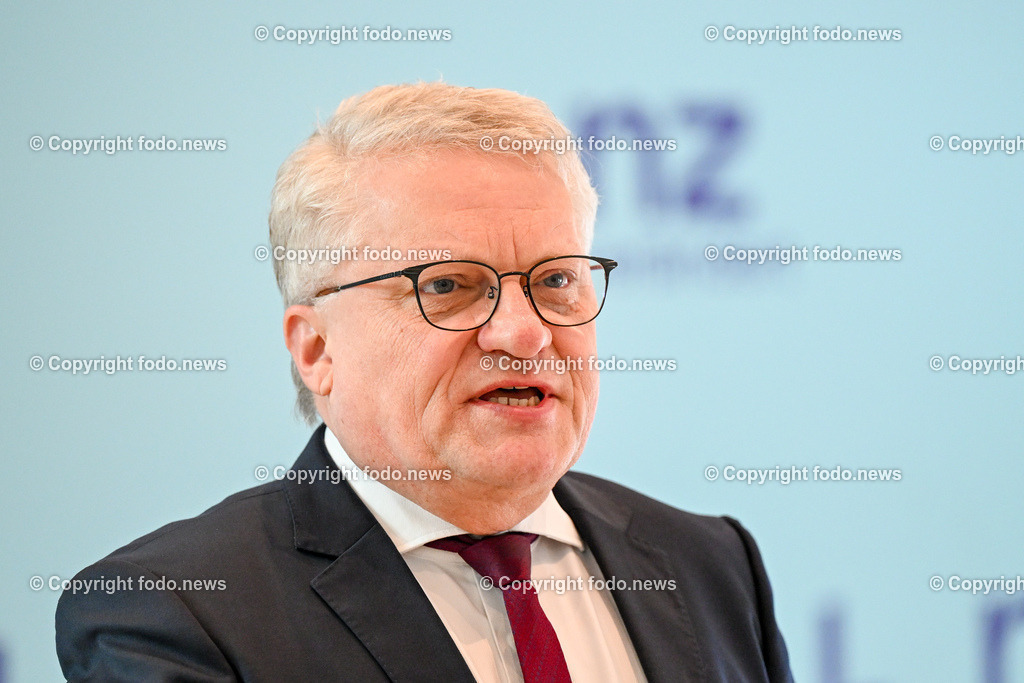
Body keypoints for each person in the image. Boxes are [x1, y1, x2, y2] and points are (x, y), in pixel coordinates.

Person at [56, 82, 793, 682]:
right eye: (447, 285)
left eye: (556, 280)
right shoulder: (176, 615)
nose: (524, 333)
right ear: (317, 349)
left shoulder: (708, 562)